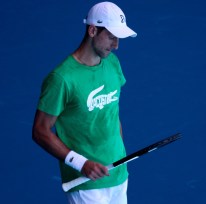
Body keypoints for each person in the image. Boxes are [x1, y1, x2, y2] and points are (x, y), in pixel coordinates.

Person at [32, 2, 137, 204]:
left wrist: (119, 155)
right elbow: (40, 131)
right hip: (86, 182)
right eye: (111, 37)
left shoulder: (113, 63)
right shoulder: (61, 79)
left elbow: (112, 114)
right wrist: (81, 163)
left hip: (118, 174)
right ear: (92, 30)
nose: (116, 45)